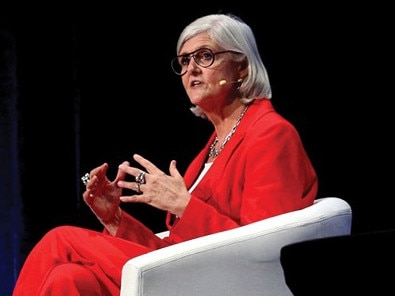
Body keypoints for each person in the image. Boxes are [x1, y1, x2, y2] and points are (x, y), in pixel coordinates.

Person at [12, 13, 318, 295]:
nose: (191, 70)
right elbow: (172, 249)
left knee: (60, 239)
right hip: (191, 270)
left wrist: (184, 205)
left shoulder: (271, 134)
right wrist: (115, 218)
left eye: (205, 56)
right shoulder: (211, 149)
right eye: (184, 61)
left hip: (226, 280)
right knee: (66, 278)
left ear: (242, 67)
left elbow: (266, 247)